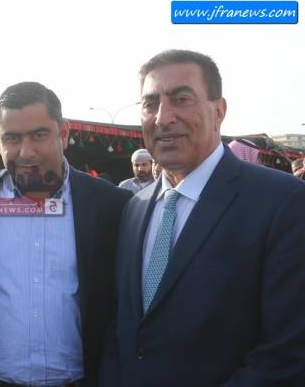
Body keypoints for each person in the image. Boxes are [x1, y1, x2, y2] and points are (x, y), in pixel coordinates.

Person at [99, 49, 305, 386]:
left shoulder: (283, 203)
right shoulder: (133, 208)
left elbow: (287, 353)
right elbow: (121, 327)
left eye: (181, 99)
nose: (162, 118)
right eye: (150, 103)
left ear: (219, 111)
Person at [0, 82, 132, 386]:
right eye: (12, 138)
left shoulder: (112, 205)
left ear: (63, 133)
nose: (27, 152)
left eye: (39, 135)